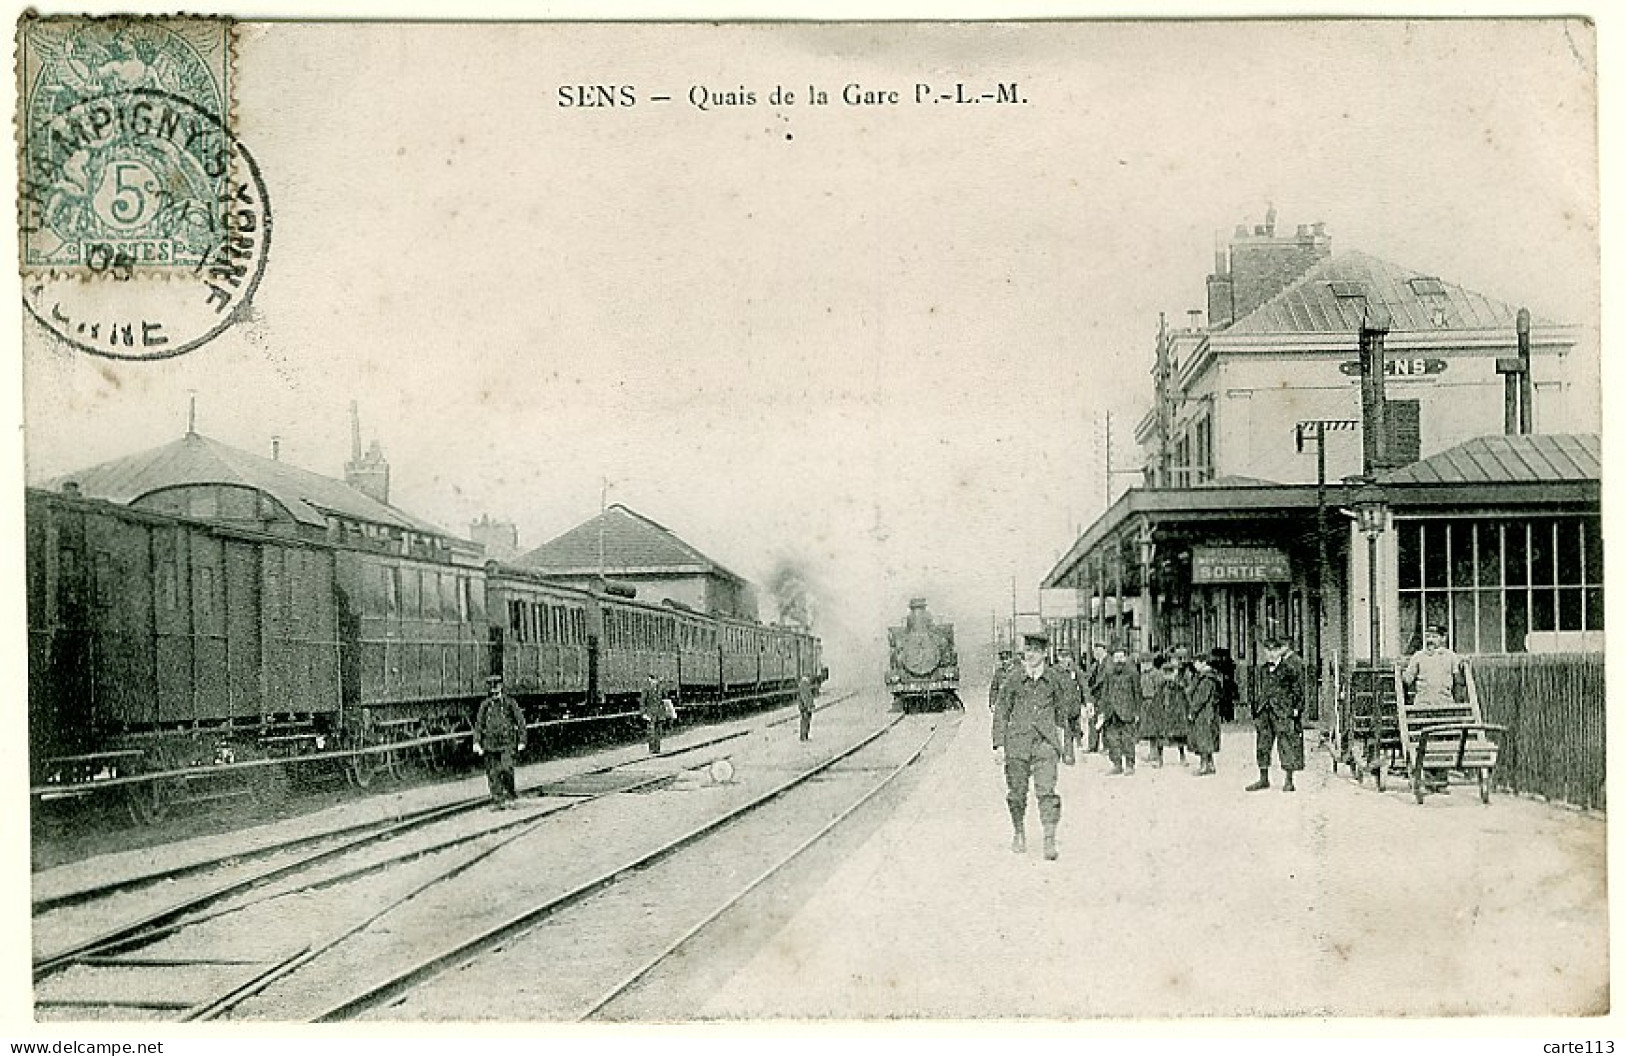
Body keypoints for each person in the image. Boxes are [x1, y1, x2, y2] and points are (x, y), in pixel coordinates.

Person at [992, 631, 1080, 860]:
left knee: (1047, 792)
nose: (1029, 655)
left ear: (1043, 654)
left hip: (1044, 744)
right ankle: (1019, 832)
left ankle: (1049, 839)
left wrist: (1060, 741)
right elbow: (1001, 711)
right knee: (1017, 794)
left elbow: (1063, 711)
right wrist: (999, 744)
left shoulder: (1053, 679)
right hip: (1017, 744)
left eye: (1034, 651)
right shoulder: (1012, 679)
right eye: (1027, 651)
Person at [1403, 625, 1466, 791]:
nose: (1430, 639)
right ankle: (1429, 780)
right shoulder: (1418, 657)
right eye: (1428, 636)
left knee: (1443, 742)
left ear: (1442, 639)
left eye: (1434, 636)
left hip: (1444, 706)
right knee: (1426, 742)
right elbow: (1408, 679)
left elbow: (1458, 679)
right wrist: (1403, 675)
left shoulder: (1451, 656)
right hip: (1423, 706)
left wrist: (1457, 703)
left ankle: (1441, 781)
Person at [1249, 638, 1305, 792]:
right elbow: (1255, 690)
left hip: (1282, 712)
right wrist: (1255, 709)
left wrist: (1296, 709)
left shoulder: (1289, 668)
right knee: (1262, 745)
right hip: (1264, 712)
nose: (1270, 654)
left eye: (1273, 650)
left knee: (1286, 744)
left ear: (1280, 651)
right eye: (1267, 650)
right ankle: (1263, 778)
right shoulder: (1261, 670)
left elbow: (1298, 690)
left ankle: (1289, 780)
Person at [472, 674, 527, 809]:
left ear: (501, 687)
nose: (494, 689)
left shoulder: (510, 703)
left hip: (507, 743)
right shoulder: (485, 705)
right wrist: (476, 742)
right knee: (492, 773)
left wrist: (522, 740)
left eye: (496, 686)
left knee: (507, 768)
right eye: (491, 687)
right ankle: (498, 800)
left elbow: (520, 722)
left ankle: (510, 794)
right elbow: (479, 725)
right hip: (490, 744)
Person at [1094, 645, 1141, 776]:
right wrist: (1102, 711)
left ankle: (1130, 765)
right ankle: (1117, 764)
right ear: (1113, 659)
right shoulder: (1109, 674)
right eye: (1116, 657)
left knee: (1128, 739)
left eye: (1121, 657)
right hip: (1111, 712)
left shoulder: (1133, 673)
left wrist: (1137, 711)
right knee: (1112, 739)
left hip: (1127, 711)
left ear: (1125, 658)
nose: (1119, 660)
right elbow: (1105, 693)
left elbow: (1137, 693)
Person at [1186, 654, 1222, 776]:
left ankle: (1204, 766)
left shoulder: (1206, 680)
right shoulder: (1209, 677)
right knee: (1207, 739)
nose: (1194, 665)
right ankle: (1211, 765)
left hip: (1204, 713)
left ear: (1203, 663)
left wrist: (1192, 711)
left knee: (1203, 739)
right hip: (1209, 712)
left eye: (1196, 662)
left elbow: (1200, 698)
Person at [1083, 642, 1108, 753]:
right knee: (1093, 720)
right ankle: (1093, 745)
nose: (1096, 652)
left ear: (1104, 650)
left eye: (1099, 650)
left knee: (1105, 721)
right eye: (1095, 650)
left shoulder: (1109, 664)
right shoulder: (1095, 665)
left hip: (1105, 696)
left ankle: (1107, 746)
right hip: (1096, 697)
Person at [640, 671, 669, 755]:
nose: (654, 681)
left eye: (656, 680)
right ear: (650, 680)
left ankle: (657, 749)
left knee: (658, 731)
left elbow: (665, 698)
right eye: (653, 679)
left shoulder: (661, 688)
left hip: (659, 713)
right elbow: (642, 701)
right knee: (651, 731)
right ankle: (652, 749)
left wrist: (663, 686)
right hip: (650, 713)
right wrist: (643, 713)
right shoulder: (646, 689)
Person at [1209, 646, 1238, 723]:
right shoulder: (1226, 664)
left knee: (1225, 703)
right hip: (1225, 688)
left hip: (1225, 688)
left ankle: (1226, 716)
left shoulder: (1227, 664)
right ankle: (1226, 717)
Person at [796, 674, 816, 741]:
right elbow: (805, 697)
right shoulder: (804, 684)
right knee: (805, 720)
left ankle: (805, 736)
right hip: (805, 707)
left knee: (806, 720)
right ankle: (803, 736)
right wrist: (808, 706)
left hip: (805, 706)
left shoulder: (805, 684)